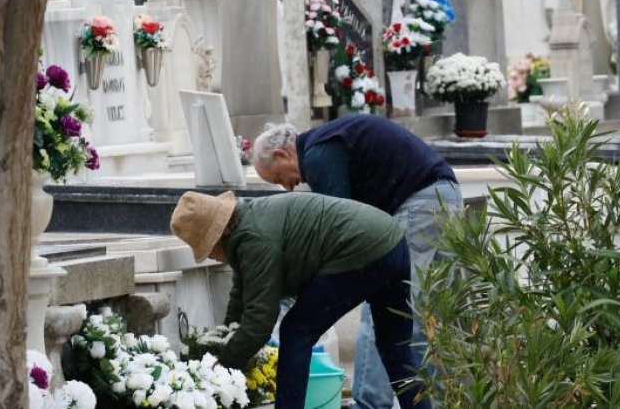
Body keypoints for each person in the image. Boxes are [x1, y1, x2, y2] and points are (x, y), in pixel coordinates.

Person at [251, 114, 460, 409]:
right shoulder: (329, 143)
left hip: (420, 202)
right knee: (429, 316)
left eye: (278, 178)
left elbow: (342, 231)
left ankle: (369, 403)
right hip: (444, 194)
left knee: (387, 311)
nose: (287, 187)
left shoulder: (318, 154)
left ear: (281, 154)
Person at [170, 191, 430, 409]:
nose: (211, 257)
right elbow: (243, 295)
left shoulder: (254, 240)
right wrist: (224, 337)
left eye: (207, 249)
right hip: (391, 242)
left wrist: (222, 368)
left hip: (361, 249)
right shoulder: (247, 226)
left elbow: (260, 322)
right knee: (396, 349)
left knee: (296, 331)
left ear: (219, 235)